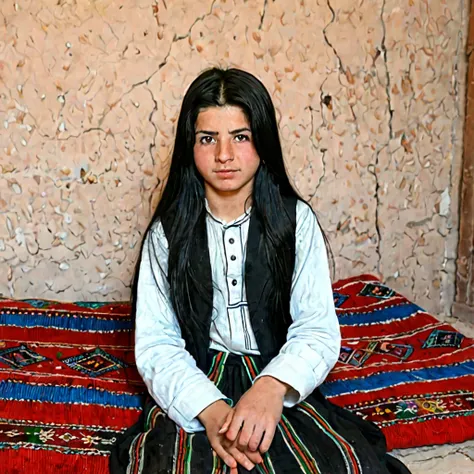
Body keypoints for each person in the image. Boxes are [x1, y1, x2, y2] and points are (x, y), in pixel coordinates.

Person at [110, 67, 411, 474]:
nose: (224, 155)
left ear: (263, 141)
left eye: (240, 136)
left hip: (276, 372)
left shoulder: (294, 221)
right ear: (189, 146)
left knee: (336, 464)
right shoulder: (168, 232)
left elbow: (317, 329)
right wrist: (212, 413)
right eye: (207, 138)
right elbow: (157, 344)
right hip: (197, 376)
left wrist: (271, 391)